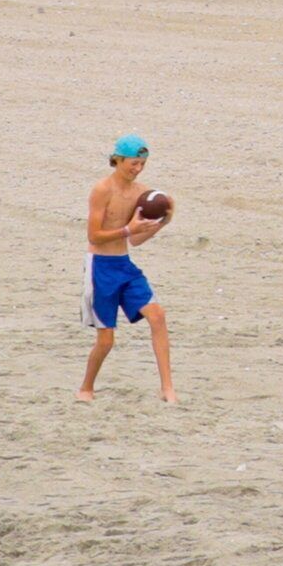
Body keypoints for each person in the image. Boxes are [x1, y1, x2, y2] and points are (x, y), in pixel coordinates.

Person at [80, 134, 174, 403]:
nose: (138, 169)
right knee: (106, 341)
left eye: (142, 164)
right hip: (100, 267)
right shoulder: (102, 190)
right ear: (118, 160)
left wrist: (162, 223)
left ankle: (167, 388)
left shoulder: (140, 193)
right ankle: (86, 387)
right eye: (133, 163)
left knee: (157, 316)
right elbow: (94, 236)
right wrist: (126, 229)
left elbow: (135, 239)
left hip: (124, 264)